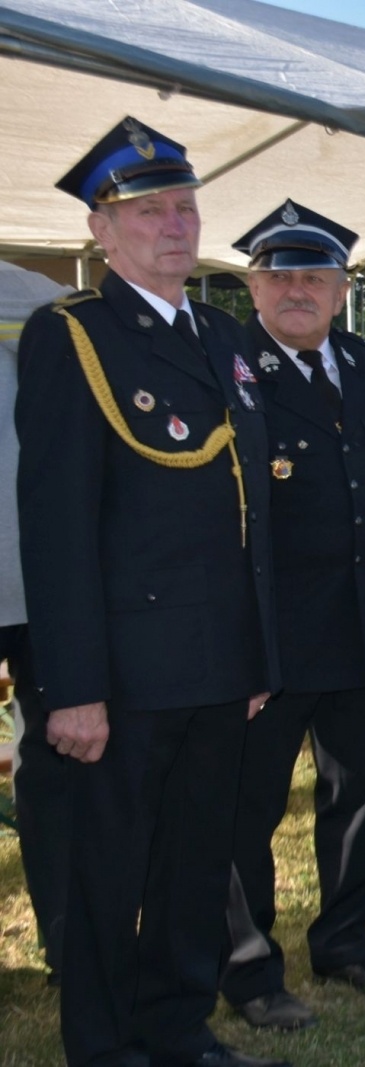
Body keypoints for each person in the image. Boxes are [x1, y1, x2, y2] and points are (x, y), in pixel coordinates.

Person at [16, 117, 283, 1067]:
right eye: (148, 210)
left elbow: (247, 511)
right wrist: (72, 687)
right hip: (124, 670)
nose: (175, 225)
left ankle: (175, 1024)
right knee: (105, 873)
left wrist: (257, 653)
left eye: (186, 206)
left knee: (192, 864)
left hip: (217, 659)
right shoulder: (73, 336)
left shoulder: (220, 334)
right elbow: (54, 528)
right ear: (102, 230)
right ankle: (102, 1043)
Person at [220, 202, 365, 1031]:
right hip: (268, 632)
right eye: (280, 275)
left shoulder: (363, 367)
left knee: (363, 789)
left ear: (343, 291)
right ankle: (249, 966)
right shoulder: (226, 365)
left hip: (356, 620)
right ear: (253, 287)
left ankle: (345, 941)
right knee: (247, 810)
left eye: (315, 277)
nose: (297, 290)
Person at [0, 262, 70, 988]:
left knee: (53, 773)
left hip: (34, 579)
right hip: (39, 575)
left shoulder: (35, 297)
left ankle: (68, 937)